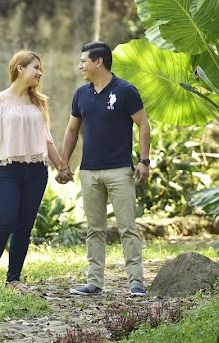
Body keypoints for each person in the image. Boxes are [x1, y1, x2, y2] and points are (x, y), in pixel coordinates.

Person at [59, 41, 151, 297]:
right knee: (94, 229)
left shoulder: (125, 91)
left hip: (120, 170)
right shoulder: (81, 94)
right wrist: (64, 163)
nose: (80, 66)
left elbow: (143, 125)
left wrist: (144, 161)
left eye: (83, 61)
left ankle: (136, 282)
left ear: (98, 62)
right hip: (89, 171)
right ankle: (94, 282)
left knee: (127, 228)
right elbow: (72, 130)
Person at [0, 50, 72, 293]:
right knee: (4, 221)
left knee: (24, 226)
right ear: (19, 68)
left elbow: (47, 140)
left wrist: (61, 166)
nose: (40, 73)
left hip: (37, 171)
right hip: (7, 170)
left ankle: (14, 280)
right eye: (35, 68)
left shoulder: (38, 102)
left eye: (41, 69)